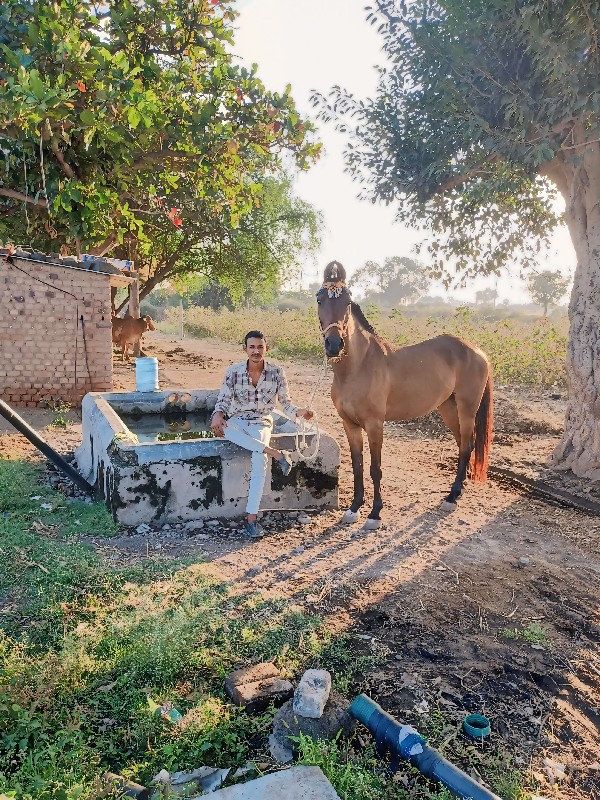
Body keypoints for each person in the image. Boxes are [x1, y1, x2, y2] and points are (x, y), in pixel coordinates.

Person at [210, 330, 313, 538]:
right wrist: (217, 415)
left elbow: (286, 405)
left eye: (260, 347)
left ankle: (251, 519)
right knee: (224, 430)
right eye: (252, 347)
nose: (256, 351)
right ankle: (275, 453)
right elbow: (223, 400)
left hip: (261, 423)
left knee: (259, 459)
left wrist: (301, 413)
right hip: (238, 420)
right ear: (245, 349)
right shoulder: (233, 371)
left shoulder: (277, 372)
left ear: (267, 348)